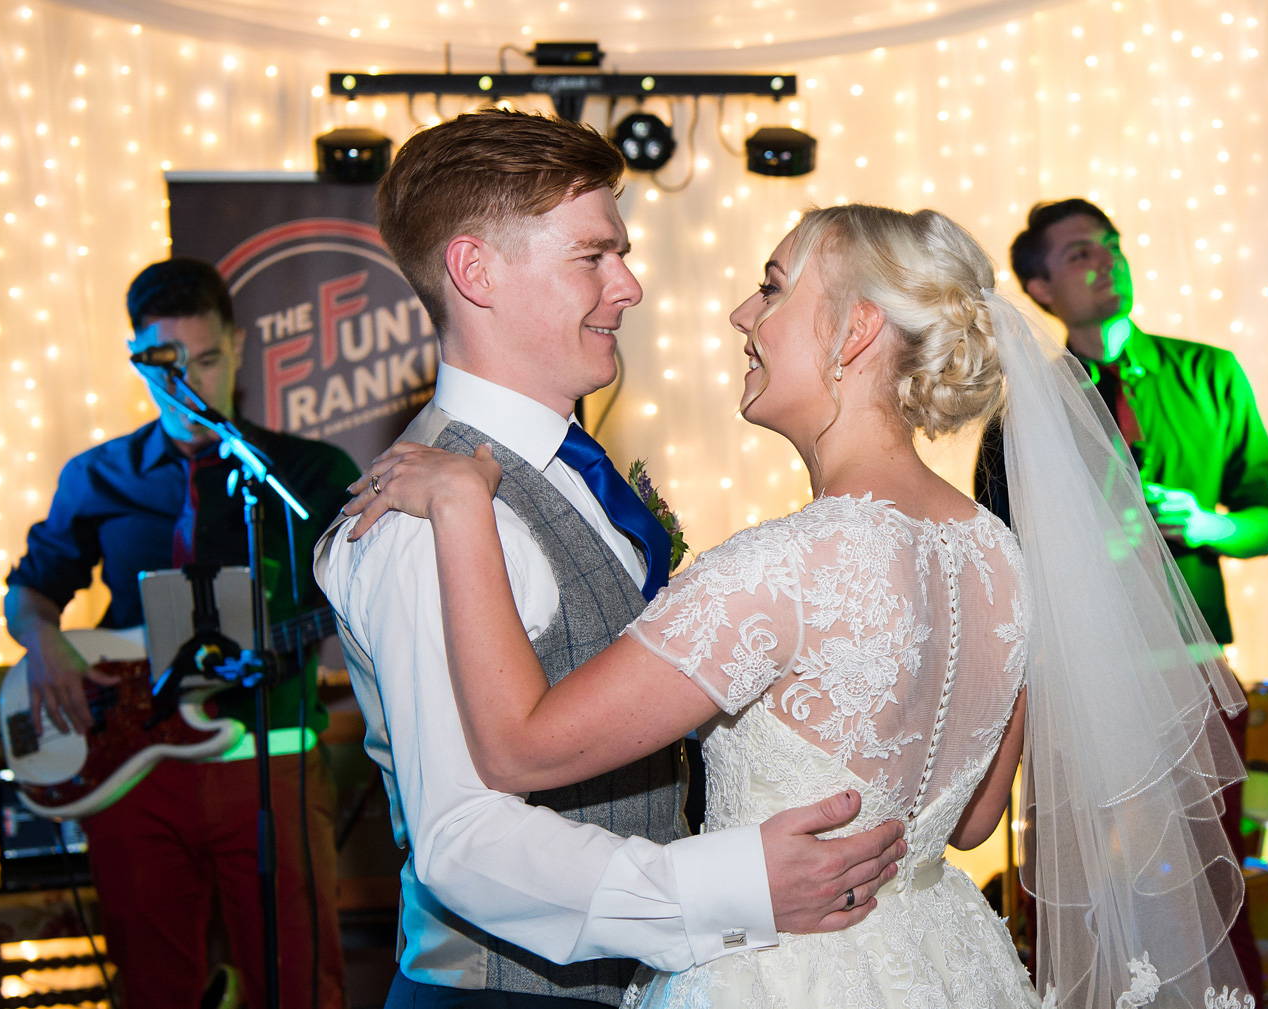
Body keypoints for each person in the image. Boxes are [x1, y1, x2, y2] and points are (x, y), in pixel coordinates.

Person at [347, 203, 1257, 1008]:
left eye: (773, 289)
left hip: (786, 970)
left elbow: (516, 745)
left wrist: (466, 508)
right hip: (945, 961)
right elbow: (974, 820)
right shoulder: (1003, 556)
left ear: (856, 330)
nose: (745, 315)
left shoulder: (788, 564)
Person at [312, 110, 906, 1009]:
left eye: (620, 254)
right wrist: (730, 888)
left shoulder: (562, 477)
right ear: (475, 271)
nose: (628, 287)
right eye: (592, 256)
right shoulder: (421, 518)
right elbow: (463, 837)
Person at [4, 258, 356, 1009]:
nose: (189, 385)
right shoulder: (97, 476)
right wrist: (44, 644)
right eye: (168, 366)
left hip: (273, 757)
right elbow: (31, 589)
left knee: (298, 984)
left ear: (237, 348)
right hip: (133, 769)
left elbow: (375, 598)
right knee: (155, 985)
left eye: (206, 361)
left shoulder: (307, 476)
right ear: (138, 360)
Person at [975, 198, 1268, 996]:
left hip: (1192, 665)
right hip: (1082, 678)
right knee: (1073, 884)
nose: (1107, 261)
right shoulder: (1025, 407)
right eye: (1080, 253)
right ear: (1039, 286)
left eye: (1110, 245)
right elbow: (998, 549)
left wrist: (1210, 522)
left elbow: (1264, 522)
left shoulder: (1210, 372)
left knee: (1213, 883)